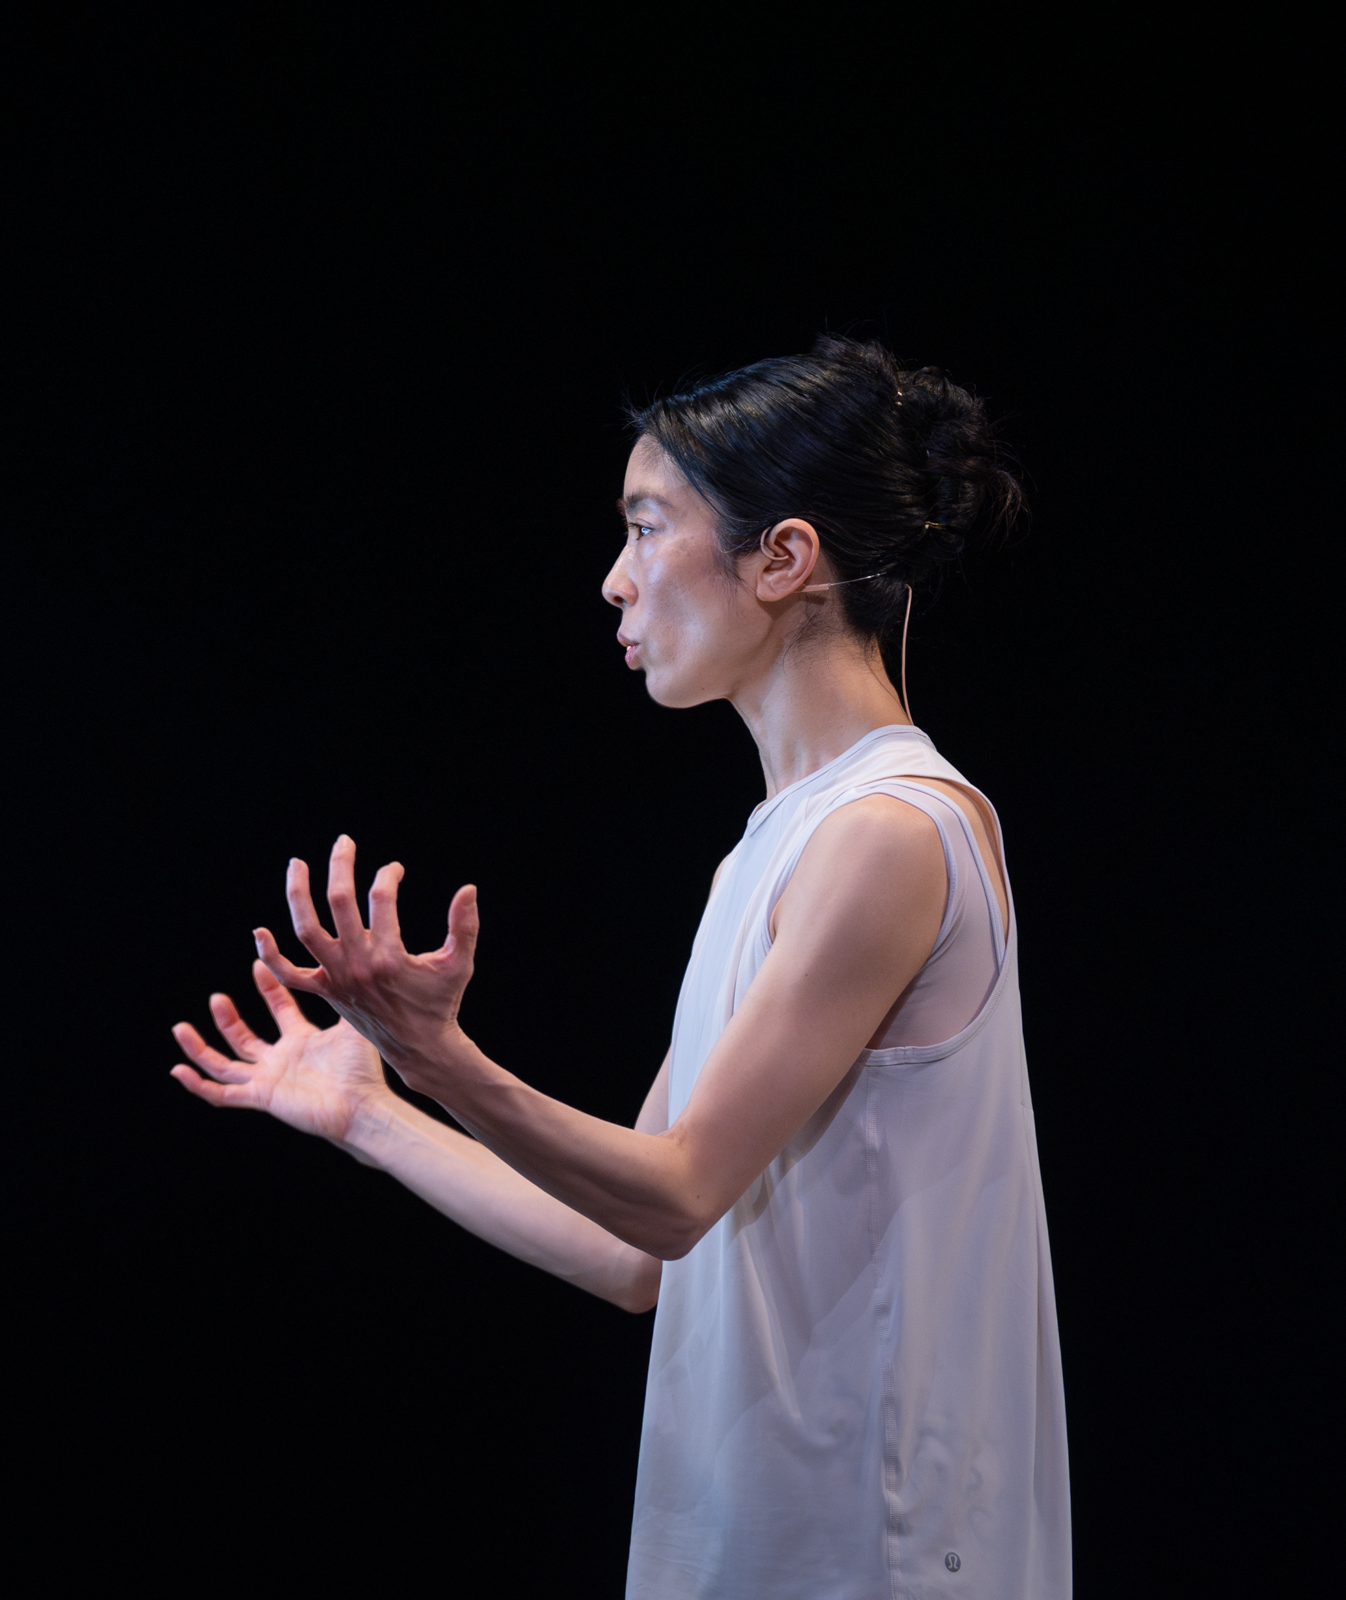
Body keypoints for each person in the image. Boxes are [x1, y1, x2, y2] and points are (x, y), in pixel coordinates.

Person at [170, 337, 1069, 1597]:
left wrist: (445, 1059)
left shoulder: (890, 832)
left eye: (647, 528)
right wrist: (370, 1112)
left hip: (876, 1553)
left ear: (783, 557)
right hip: (752, 1538)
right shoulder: (772, 849)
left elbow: (678, 1194)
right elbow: (632, 1254)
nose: (614, 579)